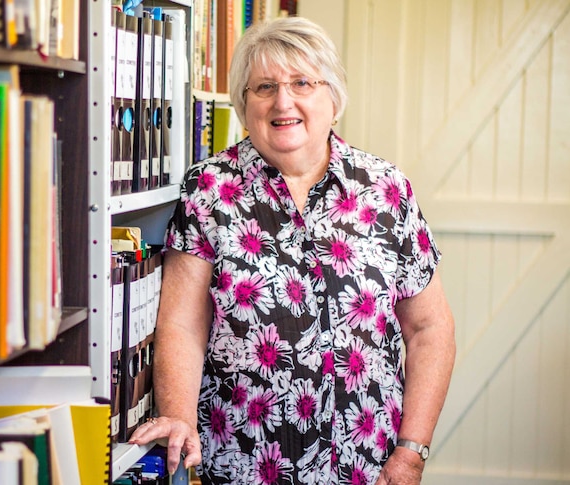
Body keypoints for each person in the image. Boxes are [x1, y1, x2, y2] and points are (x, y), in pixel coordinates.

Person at [128, 15, 456, 485]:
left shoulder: (386, 190)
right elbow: (181, 323)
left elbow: (430, 329)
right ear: (244, 104)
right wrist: (179, 414)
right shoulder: (209, 188)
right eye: (263, 87)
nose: (283, 101)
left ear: (333, 97)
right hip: (241, 466)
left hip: (368, 469)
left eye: (302, 82)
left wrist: (411, 454)